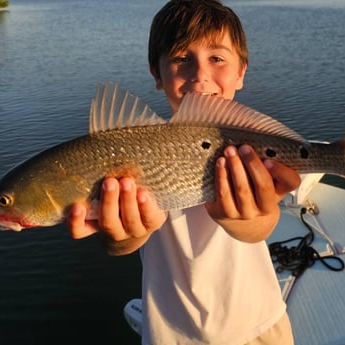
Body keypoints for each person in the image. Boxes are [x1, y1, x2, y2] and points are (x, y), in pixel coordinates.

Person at [66, 0, 299, 344]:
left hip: (260, 327)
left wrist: (246, 217)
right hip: (170, 335)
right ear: (156, 74)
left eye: (217, 58)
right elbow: (130, 241)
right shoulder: (130, 153)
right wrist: (118, 236)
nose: (200, 74)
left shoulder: (253, 151)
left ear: (241, 72)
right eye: (180, 59)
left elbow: (260, 227)